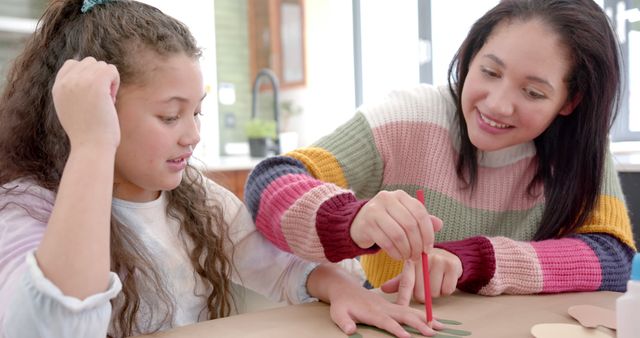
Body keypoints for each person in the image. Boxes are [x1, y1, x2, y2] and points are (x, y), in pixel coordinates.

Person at [0, 1, 443, 337]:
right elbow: (50, 326)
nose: (192, 135)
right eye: (170, 116)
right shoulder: (26, 207)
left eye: (197, 113)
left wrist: (343, 288)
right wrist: (93, 144)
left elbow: (281, 266)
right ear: (98, 111)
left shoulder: (190, 193)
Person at [244, 0, 637, 305]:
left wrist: (476, 261)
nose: (498, 105)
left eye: (533, 92)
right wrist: (352, 219)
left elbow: (610, 258)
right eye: (490, 72)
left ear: (571, 101)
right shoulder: (412, 117)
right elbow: (270, 183)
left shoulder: (579, 146)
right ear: (470, 54)